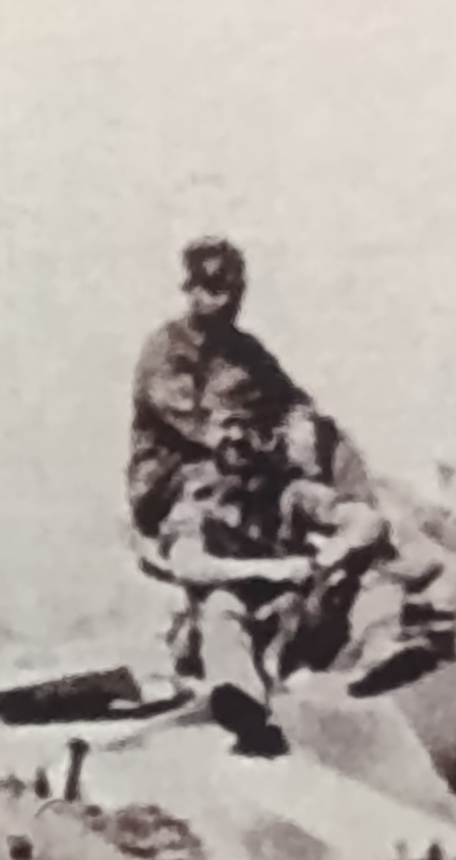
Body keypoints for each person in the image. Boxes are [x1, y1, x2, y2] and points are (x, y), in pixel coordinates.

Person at [156, 383, 439, 755]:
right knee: (222, 603)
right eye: (227, 427)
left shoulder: (290, 492)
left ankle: (381, 651)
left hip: (294, 619)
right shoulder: (194, 504)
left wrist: (329, 557)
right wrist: (270, 571)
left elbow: (365, 520)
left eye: (247, 428)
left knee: (373, 569)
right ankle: (244, 708)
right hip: (230, 625)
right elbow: (188, 564)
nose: (238, 437)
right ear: (210, 439)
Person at [127, 237, 373, 544]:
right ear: (192, 290)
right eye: (215, 289)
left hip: (245, 466)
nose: (227, 301)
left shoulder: (245, 351)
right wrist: (250, 445)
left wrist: (302, 429)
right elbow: (201, 427)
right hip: (176, 479)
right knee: (230, 487)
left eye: (235, 290)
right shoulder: (167, 350)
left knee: (318, 435)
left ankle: (353, 515)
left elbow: (289, 400)